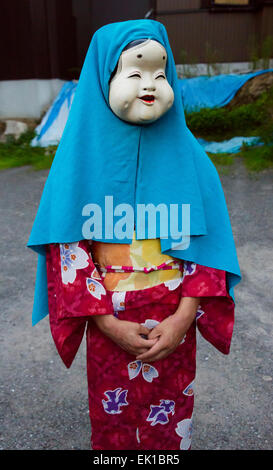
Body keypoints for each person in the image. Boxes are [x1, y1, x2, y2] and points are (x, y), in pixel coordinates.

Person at [28, 20, 241, 450]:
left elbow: (208, 245)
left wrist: (184, 317)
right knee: (113, 426)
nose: (151, 85)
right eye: (136, 73)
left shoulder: (193, 160)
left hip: (173, 314)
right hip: (109, 316)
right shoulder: (77, 161)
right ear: (103, 76)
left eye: (161, 75)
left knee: (172, 419)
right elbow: (68, 248)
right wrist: (106, 322)